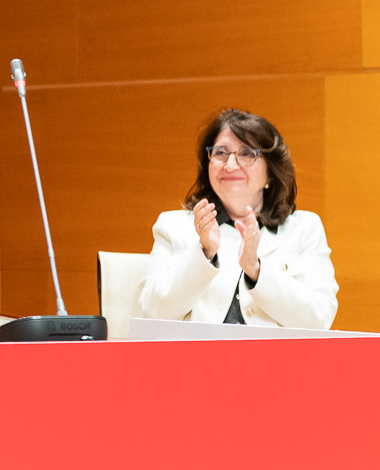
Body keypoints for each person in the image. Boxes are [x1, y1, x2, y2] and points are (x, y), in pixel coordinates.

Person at [136, 109, 337, 328]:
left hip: (274, 351)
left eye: (247, 154)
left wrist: (255, 269)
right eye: (220, 153)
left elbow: (319, 319)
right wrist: (205, 253)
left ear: (270, 173)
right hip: (198, 350)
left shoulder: (304, 229)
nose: (230, 165)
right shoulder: (173, 225)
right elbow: (153, 313)